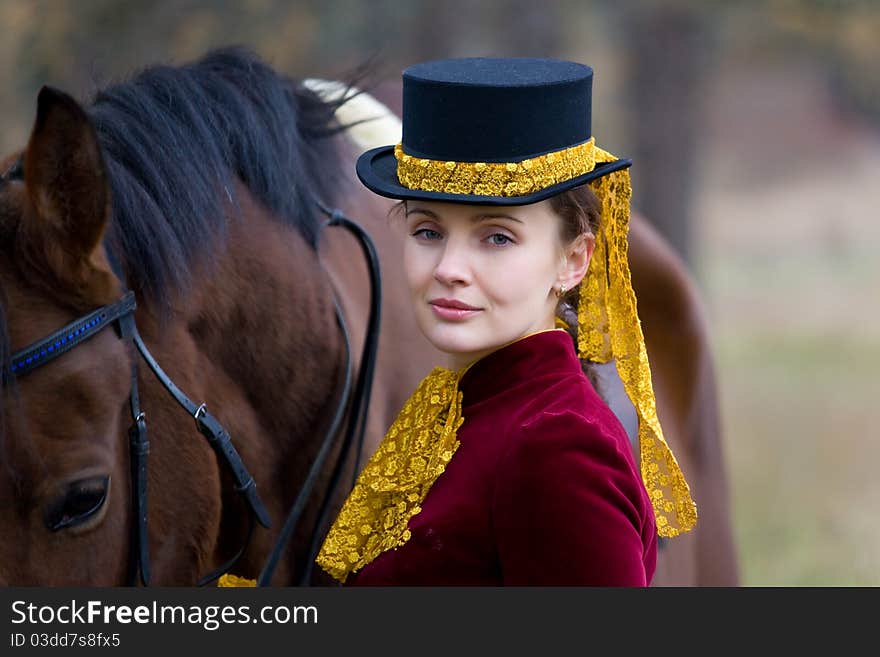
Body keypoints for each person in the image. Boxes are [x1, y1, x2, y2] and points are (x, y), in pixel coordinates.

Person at [315, 57, 697, 585]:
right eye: (427, 230)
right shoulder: (457, 407)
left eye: (496, 237)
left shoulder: (558, 447)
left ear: (573, 261)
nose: (449, 269)